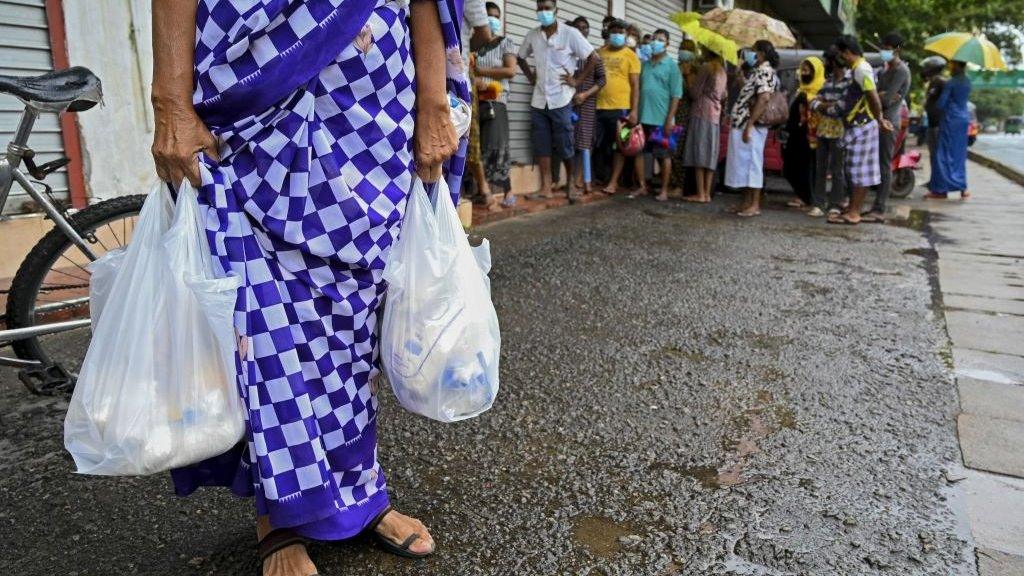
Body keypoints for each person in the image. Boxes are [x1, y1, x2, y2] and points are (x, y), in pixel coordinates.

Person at [150, 0, 464, 573]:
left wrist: (433, 99)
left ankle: (360, 491)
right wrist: (169, 99)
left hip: (373, 98)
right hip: (254, 78)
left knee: (354, 314)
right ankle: (282, 516)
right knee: (262, 311)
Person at [518, 0, 598, 200]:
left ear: (556, 10)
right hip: (539, 100)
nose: (543, 12)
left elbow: (593, 57)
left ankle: (570, 184)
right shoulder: (533, 35)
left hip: (561, 99)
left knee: (565, 144)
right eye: (540, 8)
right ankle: (546, 187)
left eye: (547, 8)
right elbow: (520, 57)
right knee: (542, 144)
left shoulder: (570, 33)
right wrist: (530, 77)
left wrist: (577, 80)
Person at [826, 35, 893, 225]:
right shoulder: (858, 69)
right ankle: (852, 208)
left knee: (859, 171)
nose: (839, 58)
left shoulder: (862, 70)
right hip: (857, 126)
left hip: (862, 126)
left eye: (841, 54)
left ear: (847, 53)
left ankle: (854, 212)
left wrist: (879, 119)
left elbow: (872, 96)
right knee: (854, 169)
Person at [725, 40, 780, 217]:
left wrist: (750, 124)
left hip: (751, 125)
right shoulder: (757, 71)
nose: (750, 54)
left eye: (753, 51)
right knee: (743, 164)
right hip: (743, 123)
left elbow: (763, 99)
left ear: (761, 53)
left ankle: (754, 204)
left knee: (752, 165)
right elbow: (751, 94)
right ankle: (746, 202)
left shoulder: (765, 71)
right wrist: (741, 79)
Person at [472, 2, 519, 206]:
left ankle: (508, 192)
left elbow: (510, 71)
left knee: (497, 146)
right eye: (488, 15)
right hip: (475, 101)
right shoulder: (476, 45)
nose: (492, 19)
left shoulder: (505, 43)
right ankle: (480, 192)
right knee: (478, 147)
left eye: (496, 16)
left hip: (496, 101)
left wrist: (480, 73)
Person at [863, 31, 911, 222]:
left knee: (884, 165)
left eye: (888, 49)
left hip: (889, 123)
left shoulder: (901, 71)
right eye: (883, 48)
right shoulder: (886, 69)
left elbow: (886, 99)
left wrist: (876, 95)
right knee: (873, 164)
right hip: (878, 120)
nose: (884, 51)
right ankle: (873, 205)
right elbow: (877, 95)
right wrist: (877, 94)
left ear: (897, 50)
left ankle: (880, 208)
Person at [632, 28, 683, 201]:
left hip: (662, 119)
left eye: (661, 39)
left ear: (667, 44)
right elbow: (638, 89)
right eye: (654, 39)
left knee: (663, 156)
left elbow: (676, 95)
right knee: (638, 152)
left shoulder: (672, 66)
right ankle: (642, 186)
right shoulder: (645, 65)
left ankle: (663, 190)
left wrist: (670, 119)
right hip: (643, 116)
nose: (656, 42)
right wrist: (635, 112)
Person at [594, 19, 640, 193]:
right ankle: (593, 178)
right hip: (598, 106)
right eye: (614, 31)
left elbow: (635, 85)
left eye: (620, 31)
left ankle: (613, 182)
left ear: (626, 34)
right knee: (595, 144)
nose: (617, 34)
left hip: (621, 108)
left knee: (618, 146)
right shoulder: (599, 53)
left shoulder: (631, 56)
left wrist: (634, 111)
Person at [681, 49, 728, 203]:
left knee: (699, 152)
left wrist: (688, 76)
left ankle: (700, 193)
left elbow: (694, 93)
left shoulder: (706, 68)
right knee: (710, 154)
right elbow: (724, 95)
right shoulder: (722, 71)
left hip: (701, 112)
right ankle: (707, 194)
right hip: (715, 115)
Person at [811, 46, 852, 217]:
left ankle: (836, 204)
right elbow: (814, 103)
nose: (826, 64)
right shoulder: (827, 82)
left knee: (837, 169)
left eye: (828, 60)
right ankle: (819, 204)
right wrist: (825, 106)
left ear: (834, 62)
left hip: (840, 131)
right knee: (820, 168)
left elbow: (841, 108)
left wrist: (823, 106)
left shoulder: (848, 83)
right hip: (823, 131)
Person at [567, 17, 606, 195]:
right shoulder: (568, 53)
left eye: (585, 28)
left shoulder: (594, 55)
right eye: (578, 28)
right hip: (568, 103)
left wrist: (585, 94)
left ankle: (585, 181)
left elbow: (602, 79)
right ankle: (572, 181)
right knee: (570, 141)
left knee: (584, 142)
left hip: (587, 103)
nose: (582, 31)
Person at [782, 56, 825, 212]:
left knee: (807, 167)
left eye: (807, 70)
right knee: (791, 167)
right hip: (795, 134)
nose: (804, 73)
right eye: (803, 70)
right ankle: (802, 195)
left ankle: (809, 198)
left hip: (810, 136)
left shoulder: (820, 89)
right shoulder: (801, 89)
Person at [926, 60, 972, 199]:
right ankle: (962, 188)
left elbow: (940, 104)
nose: (950, 67)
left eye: (952, 65)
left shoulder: (951, 82)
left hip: (950, 120)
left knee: (943, 154)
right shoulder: (967, 81)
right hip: (963, 119)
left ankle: (940, 190)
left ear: (957, 65)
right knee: (959, 154)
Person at [669, 39, 699, 195]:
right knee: (668, 147)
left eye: (686, 49)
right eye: (681, 48)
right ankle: (669, 181)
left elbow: (693, 94)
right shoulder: (674, 67)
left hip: (684, 115)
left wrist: (687, 76)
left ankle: (679, 185)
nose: (683, 51)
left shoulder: (696, 71)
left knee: (678, 150)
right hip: (671, 112)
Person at [921, 55, 948, 188]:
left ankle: (938, 183)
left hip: (938, 124)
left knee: (937, 155)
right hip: (932, 123)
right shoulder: (934, 81)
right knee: (933, 154)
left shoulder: (940, 82)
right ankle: (934, 181)